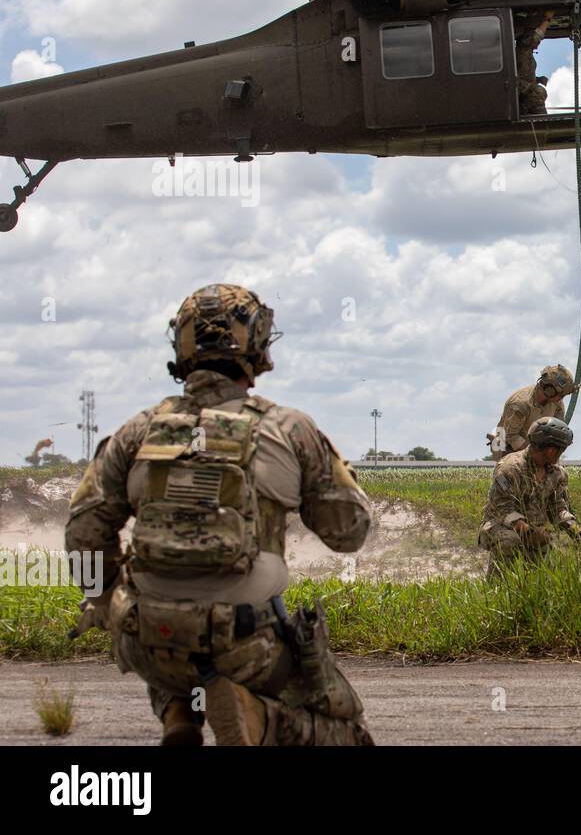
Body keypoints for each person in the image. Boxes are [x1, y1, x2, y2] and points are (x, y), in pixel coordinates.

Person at [66, 283, 373, 746]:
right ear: (257, 345)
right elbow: (348, 532)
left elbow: (83, 535)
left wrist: (109, 601)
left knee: (159, 605)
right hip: (246, 644)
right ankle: (255, 717)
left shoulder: (136, 432)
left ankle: (178, 713)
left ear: (183, 347)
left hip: (149, 641)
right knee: (344, 732)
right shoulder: (287, 428)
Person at [479, 417, 581, 573]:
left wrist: (574, 528)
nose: (561, 453)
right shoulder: (509, 468)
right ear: (551, 449)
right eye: (561, 449)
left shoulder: (558, 474)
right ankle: (498, 586)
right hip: (499, 527)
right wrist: (528, 531)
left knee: (554, 563)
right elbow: (503, 508)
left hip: (536, 532)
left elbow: (557, 507)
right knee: (510, 541)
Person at [486, 364, 578, 461]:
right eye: (560, 394)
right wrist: (538, 453)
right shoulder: (520, 404)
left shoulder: (557, 403)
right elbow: (511, 437)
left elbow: (558, 428)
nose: (561, 398)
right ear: (549, 389)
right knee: (515, 470)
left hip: (534, 447)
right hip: (505, 446)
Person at [516, 9, 556, 116]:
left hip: (527, 93)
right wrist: (547, 20)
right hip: (524, 95)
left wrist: (538, 79)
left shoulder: (525, 53)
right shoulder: (523, 49)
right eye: (536, 42)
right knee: (539, 93)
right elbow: (536, 37)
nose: (538, 44)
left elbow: (524, 74)